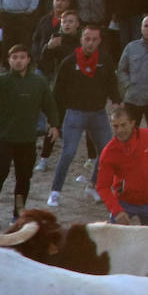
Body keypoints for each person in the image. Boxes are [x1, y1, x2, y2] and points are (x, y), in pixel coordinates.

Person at [0, 44, 61, 229]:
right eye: (14, 57)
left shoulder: (38, 82)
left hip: (27, 139)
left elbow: (49, 105)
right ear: (9, 60)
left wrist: (54, 125)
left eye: (22, 57)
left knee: (23, 178)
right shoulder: (3, 80)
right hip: (3, 137)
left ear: (28, 59)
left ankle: (18, 214)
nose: (18, 61)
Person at [47, 25, 120, 209]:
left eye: (94, 39)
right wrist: (54, 121)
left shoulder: (105, 60)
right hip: (74, 113)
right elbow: (57, 93)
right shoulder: (69, 62)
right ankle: (55, 191)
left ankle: (93, 185)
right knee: (68, 152)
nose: (90, 43)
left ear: (99, 41)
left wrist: (116, 101)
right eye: (87, 39)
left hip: (98, 112)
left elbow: (112, 83)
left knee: (106, 151)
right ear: (81, 39)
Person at [95, 105, 148, 225]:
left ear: (132, 123)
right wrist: (117, 211)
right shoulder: (108, 153)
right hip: (124, 202)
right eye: (115, 126)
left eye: (123, 125)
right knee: (116, 238)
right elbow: (102, 187)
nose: (120, 130)